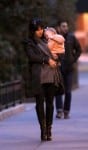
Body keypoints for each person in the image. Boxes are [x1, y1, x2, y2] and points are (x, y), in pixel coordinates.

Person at [23, 18, 59, 141]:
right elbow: (32, 57)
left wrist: (56, 57)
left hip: (51, 75)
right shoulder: (29, 42)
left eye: (41, 29)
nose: (40, 31)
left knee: (50, 104)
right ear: (32, 30)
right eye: (37, 29)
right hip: (38, 77)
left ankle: (49, 128)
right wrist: (46, 59)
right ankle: (42, 129)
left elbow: (58, 52)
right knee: (39, 104)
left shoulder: (48, 39)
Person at [55, 19, 82, 119]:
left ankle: (66, 111)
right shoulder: (55, 38)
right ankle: (59, 111)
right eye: (63, 26)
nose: (65, 28)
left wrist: (73, 59)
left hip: (70, 68)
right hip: (58, 68)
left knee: (68, 91)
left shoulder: (71, 37)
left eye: (66, 26)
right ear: (58, 27)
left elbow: (79, 49)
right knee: (58, 90)